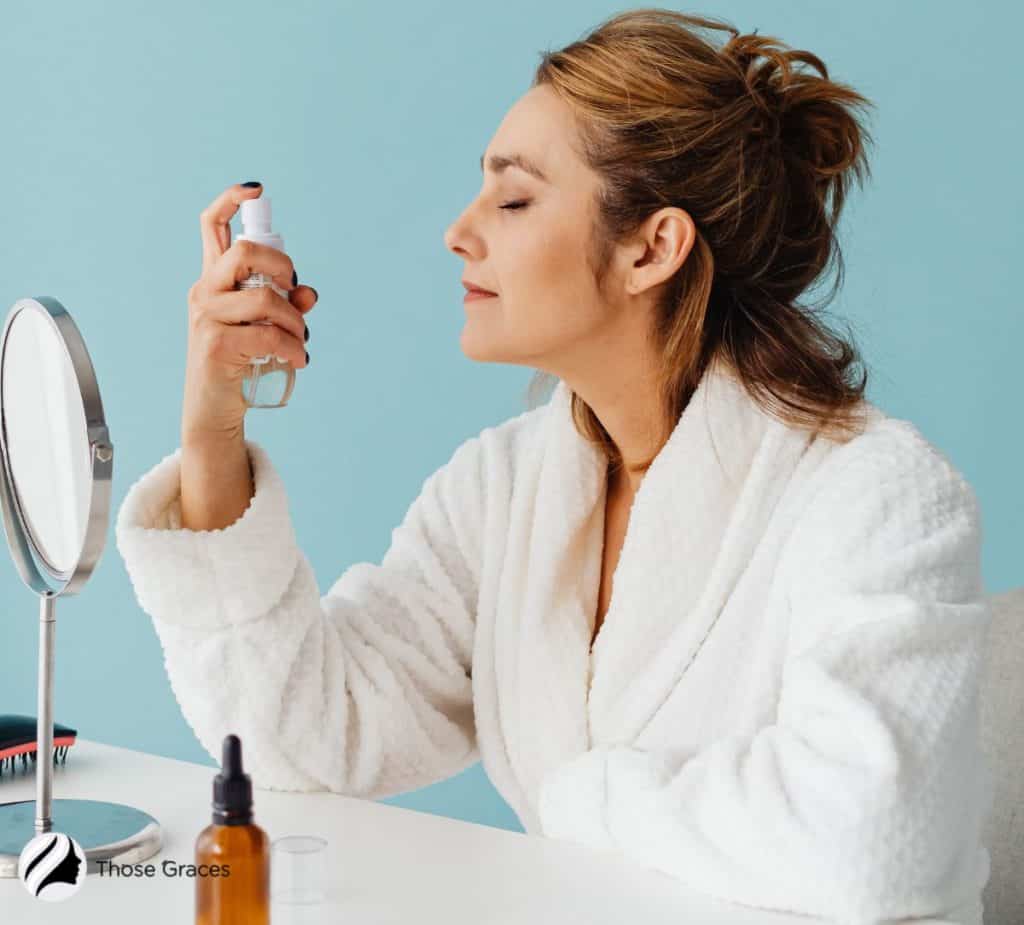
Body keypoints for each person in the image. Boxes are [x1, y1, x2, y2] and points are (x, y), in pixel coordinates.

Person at [116, 9, 993, 923]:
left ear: (653, 246)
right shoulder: (504, 490)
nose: (459, 232)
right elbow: (302, 735)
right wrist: (212, 425)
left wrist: (583, 801)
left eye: (514, 199)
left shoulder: (875, 493)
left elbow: (870, 841)